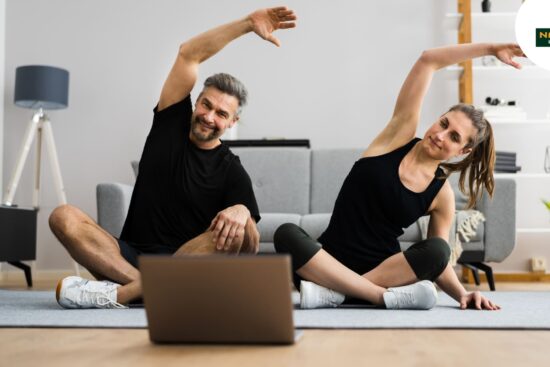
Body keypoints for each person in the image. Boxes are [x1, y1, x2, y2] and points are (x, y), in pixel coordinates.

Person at [50, 6, 297, 309]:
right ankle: (153, 289)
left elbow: (250, 244)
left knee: (242, 229)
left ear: (232, 123)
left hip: (188, 263)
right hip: (126, 258)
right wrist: (247, 24)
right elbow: (188, 54)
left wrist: (242, 211)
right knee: (63, 216)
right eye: (206, 105)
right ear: (195, 103)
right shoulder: (170, 125)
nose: (209, 117)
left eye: (221, 113)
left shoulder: (231, 169)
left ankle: (122, 295)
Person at [274, 43, 525, 310]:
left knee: (439, 249)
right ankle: (372, 296)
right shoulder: (398, 136)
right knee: (286, 233)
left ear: (462, 151)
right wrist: (491, 48)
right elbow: (428, 60)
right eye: (443, 123)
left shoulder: (442, 194)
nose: (440, 135)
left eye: (453, 137)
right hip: (326, 263)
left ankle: (336, 294)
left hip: (384, 270)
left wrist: (462, 294)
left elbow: (438, 261)